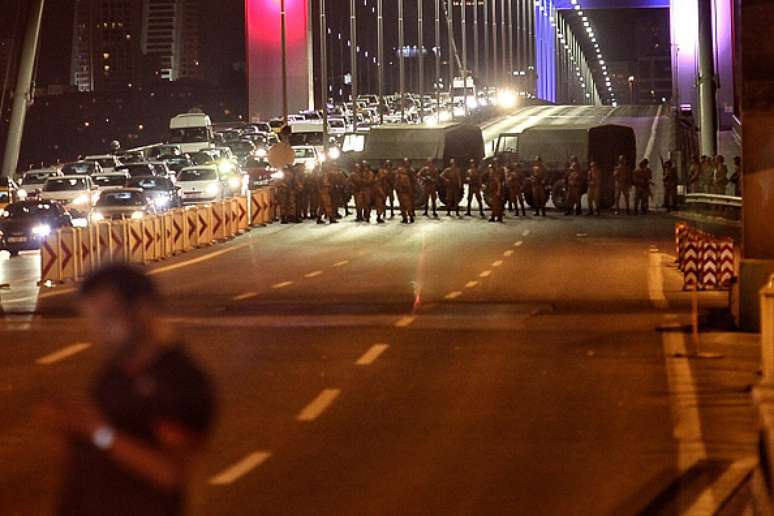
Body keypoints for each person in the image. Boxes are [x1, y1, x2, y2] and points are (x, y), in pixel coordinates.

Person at [44, 265, 215, 516]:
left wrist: (98, 432)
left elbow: (171, 472)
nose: (100, 331)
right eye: (94, 320)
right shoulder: (113, 374)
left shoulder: (181, 381)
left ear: (142, 310)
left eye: (108, 318)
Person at [395, 160, 416, 224]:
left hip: (404, 191)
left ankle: (406, 217)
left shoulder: (402, 172)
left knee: (404, 205)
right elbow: (414, 180)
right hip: (405, 191)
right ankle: (409, 217)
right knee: (407, 204)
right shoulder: (410, 171)